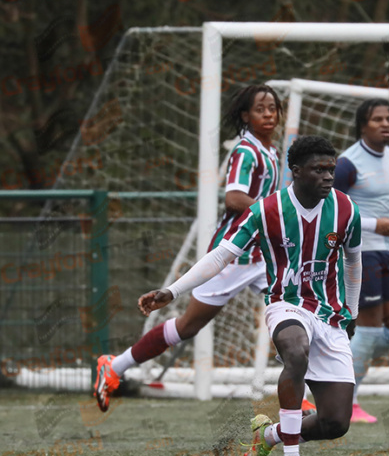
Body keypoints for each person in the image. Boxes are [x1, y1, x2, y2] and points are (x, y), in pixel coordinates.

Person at [138, 135, 362, 456]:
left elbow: (353, 262)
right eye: (319, 170)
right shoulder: (266, 210)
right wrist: (173, 290)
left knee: (335, 423)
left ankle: (269, 435)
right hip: (286, 305)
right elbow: (221, 255)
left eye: (331, 169)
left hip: (329, 314)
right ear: (296, 171)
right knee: (295, 352)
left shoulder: (346, 208)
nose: (328, 177)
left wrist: (352, 311)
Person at [94, 84, 283, 411]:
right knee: (188, 326)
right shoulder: (247, 151)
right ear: (245, 116)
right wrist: (272, 212)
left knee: (293, 312)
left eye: (273, 108)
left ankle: (303, 397)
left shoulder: (272, 151)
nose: (268, 114)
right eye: (260, 108)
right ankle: (115, 366)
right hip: (233, 254)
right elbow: (234, 198)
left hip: (263, 256)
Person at [333, 99, 389, 423]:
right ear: (362, 125)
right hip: (358, 251)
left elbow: (382, 202)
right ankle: (347, 403)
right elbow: (333, 210)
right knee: (367, 330)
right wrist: (371, 224)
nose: (385, 124)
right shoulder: (346, 164)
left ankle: (331, 361)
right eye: (377, 119)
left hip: (386, 249)